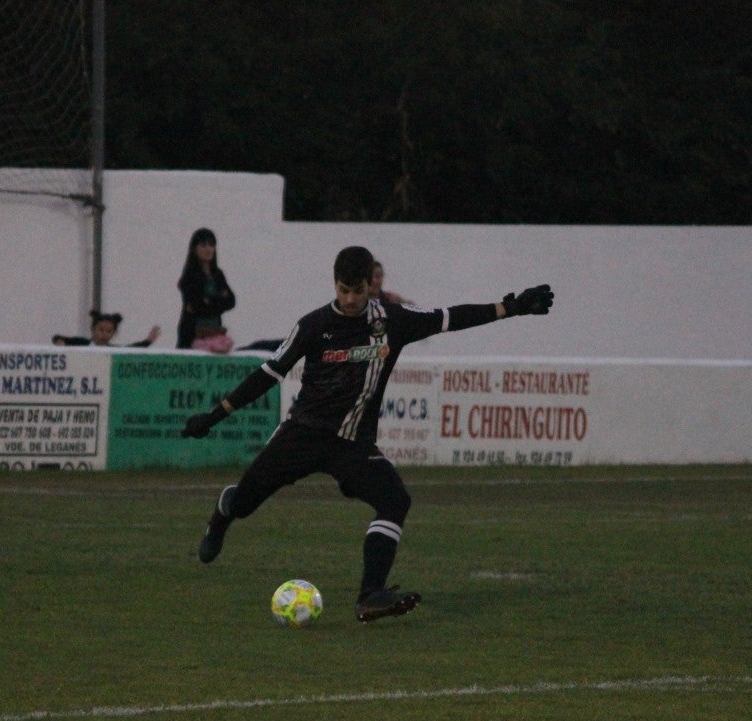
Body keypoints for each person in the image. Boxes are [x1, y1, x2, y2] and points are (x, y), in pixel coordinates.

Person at [180, 245, 554, 622]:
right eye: (344, 290)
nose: (351, 299)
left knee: (395, 500)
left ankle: (370, 595)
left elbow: (451, 317)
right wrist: (214, 416)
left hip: (352, 444)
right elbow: (269, 373)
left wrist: (511, 307)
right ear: (335, 284)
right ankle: (223, 512)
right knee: (245, 503)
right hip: (303, 434)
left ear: (369, 287)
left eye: (358, 290)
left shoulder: (392, 319)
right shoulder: (312, 325)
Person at [176, 228, 237, 349]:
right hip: (192, 337)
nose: (208, 249)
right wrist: (219, 300)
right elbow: (197, 305)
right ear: (195, 249)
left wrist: (209, 301)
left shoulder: (218, 275)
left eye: (211, 244)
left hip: (215, 335)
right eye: (203, 245)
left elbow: (231, 301)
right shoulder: (190, 276)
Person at [88, 310, 160, 348]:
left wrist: (147, 342)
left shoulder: (113, 352)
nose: (104, 334)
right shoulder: (81, 344)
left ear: (114, 333)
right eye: (101, 330)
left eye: (109, 331)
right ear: (93, 329)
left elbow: (130, 350)